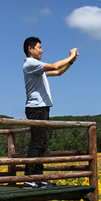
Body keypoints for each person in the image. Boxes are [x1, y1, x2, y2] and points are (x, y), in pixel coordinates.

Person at [22, 36, 79, 188]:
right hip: (36, 108)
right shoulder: (31, 64)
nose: (41, 50)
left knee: (42, 143)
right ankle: (29, 177)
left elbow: (58, 72)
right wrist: (70, 56)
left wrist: (71, 61)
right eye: (39, 47)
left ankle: (38, 177)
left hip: (42, 107)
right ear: (30, 49)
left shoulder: (37, 68)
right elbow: (54, 66)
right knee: (37, 142)